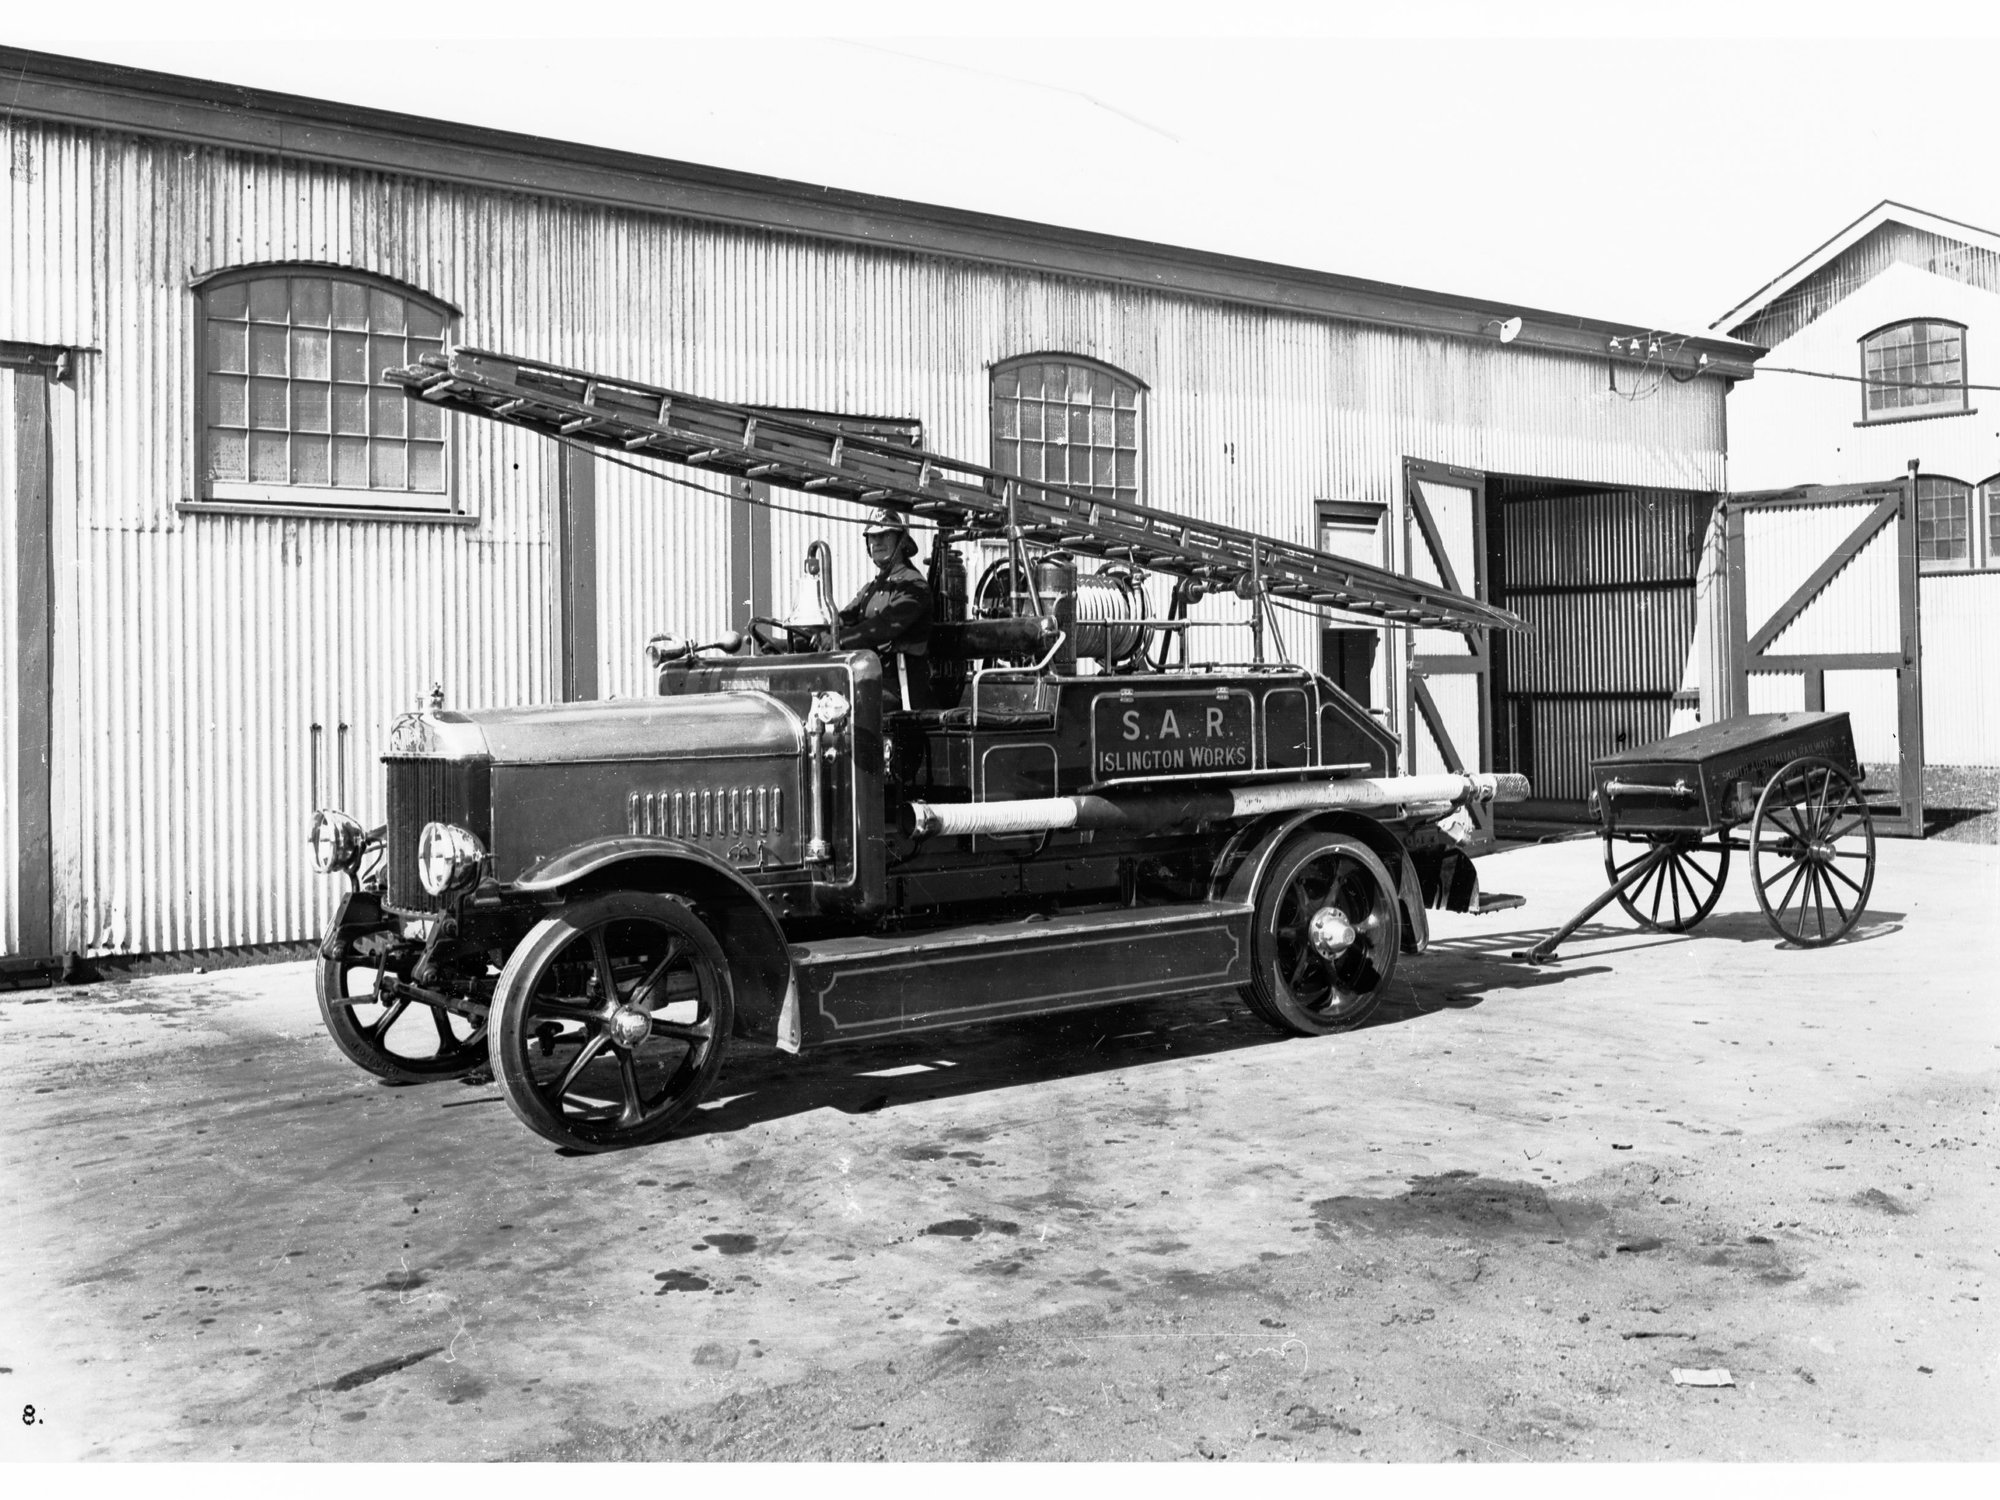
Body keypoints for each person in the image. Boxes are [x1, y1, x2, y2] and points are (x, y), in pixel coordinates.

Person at [836, 509, 935, 710]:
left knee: (844, 705)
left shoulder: (914, 585)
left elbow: (883, 626)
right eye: (873, 536)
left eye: (885, 535)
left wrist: (840, 638)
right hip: (874, 680)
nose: (877, 542)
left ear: (900, 540)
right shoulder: (871, 589)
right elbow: (843, 618)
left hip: (902, 690)